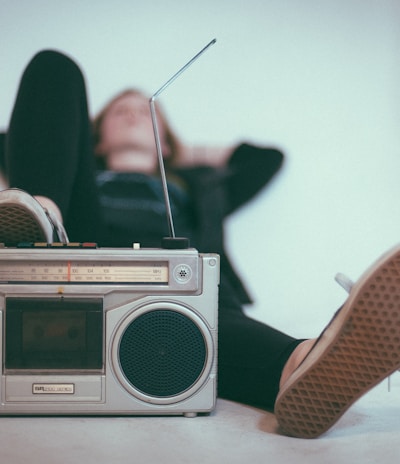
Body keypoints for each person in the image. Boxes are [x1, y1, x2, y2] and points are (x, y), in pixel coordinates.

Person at [1, 49, 400, 439]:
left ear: (168, 141)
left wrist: (177, 150)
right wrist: (67, 145)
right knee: (55, 65)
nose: (132, 115)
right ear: (95, 137)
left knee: (207, 316)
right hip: (80, 249)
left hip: (181, 284)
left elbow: (266, 159)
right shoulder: (73, 171)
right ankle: (43, 218)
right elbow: (31, 128)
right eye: (120, 112)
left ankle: (305, 364)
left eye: (146, 113)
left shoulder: (200, 185)